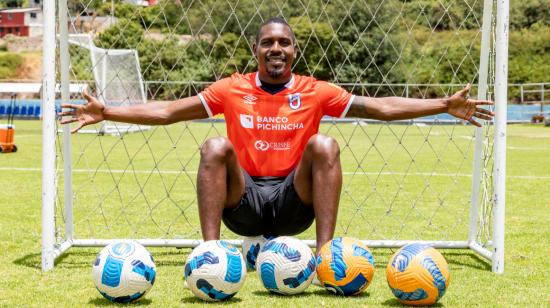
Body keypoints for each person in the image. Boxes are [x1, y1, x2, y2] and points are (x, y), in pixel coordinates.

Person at [59, 17, 494, 253]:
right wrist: (109, 111)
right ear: (257, 51)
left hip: (294, 202)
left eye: (283, 43)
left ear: (293, 51)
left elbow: (378, 107)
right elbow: (170, 111)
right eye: (268, 42)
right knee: (214, 145)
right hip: (242, 201)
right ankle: (211, 256)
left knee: (324, 144)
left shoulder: (314, 90)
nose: (276, 49)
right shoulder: (231, 88)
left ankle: (326, 255)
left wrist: (443, 105)